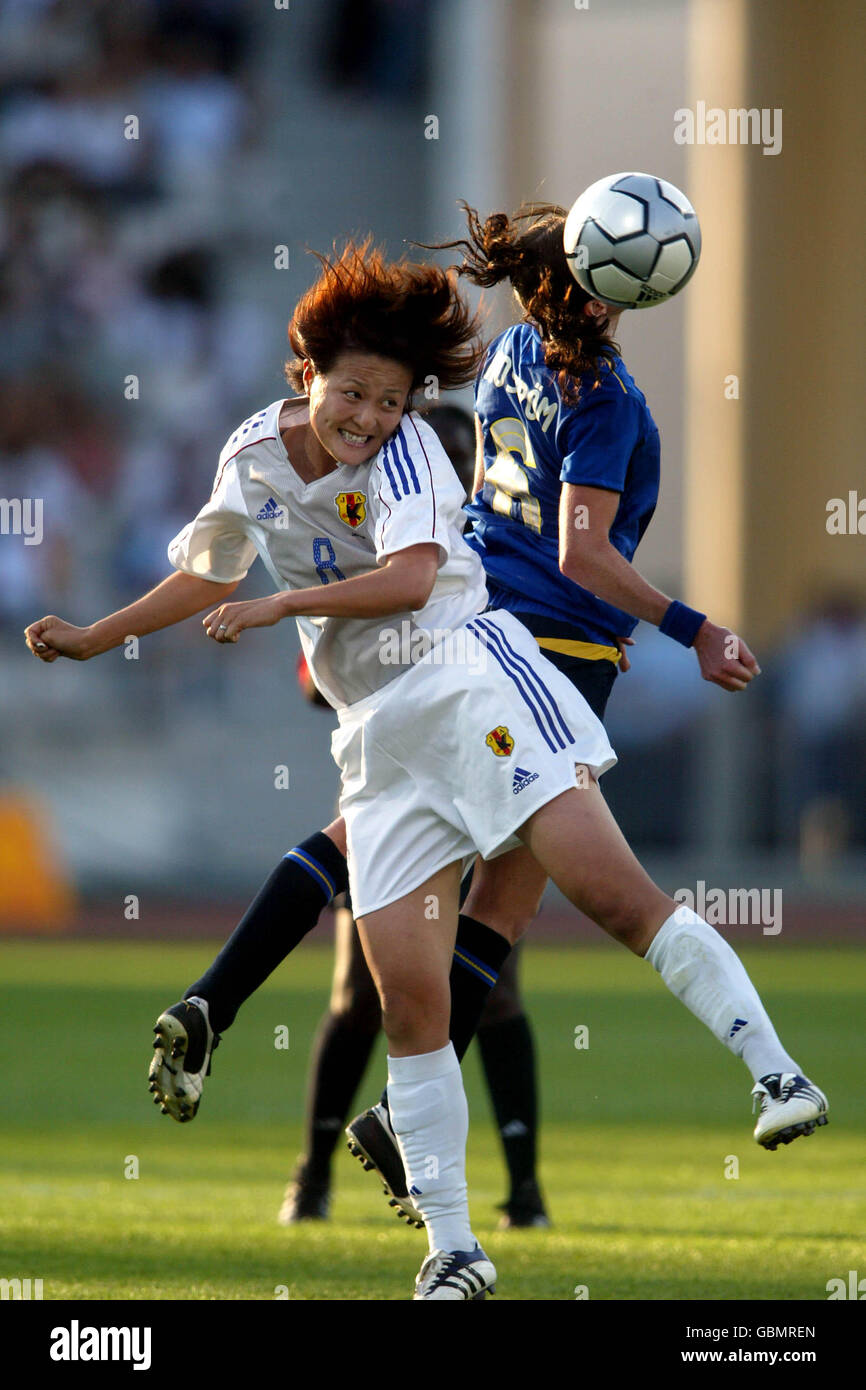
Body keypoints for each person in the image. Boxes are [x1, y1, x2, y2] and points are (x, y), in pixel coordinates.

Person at [26, 240, 827, 1301]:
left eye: (392, 399)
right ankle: (453, 1246)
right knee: (410, 1001)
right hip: (375, 738)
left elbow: (409, 582)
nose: (368, 418)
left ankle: (775, 1071)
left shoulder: (406, 460)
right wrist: (95, 635)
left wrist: (283, 606)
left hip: (471, 682)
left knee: (607, 892)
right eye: (353, 393)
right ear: (304, 372)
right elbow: (203, 568)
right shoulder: (249, 456)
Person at [281, 404, 551, 1232]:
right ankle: (316, 1172)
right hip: (392, 780)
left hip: (484, 777)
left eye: (466, 452)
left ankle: (525, 1190)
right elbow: (310, 678)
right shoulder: (385, 534)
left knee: (493, 984)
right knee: (362, 989)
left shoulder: (499, 544)